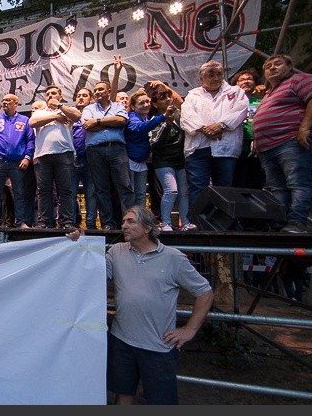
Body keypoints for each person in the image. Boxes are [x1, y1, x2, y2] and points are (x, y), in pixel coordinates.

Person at [69, 205, 213, 404]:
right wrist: (81, 245)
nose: (124, 226)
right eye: (123, 221)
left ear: (147, 228)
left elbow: (205, 292)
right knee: (123, 395)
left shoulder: (173, 258)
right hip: (121, 341)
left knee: (161, 401)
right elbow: (94, 272)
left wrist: (190, 329)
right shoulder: (117, 251)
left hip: (158, 346)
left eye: (131, 221)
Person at [253, 54, 312, 233]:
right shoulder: (269, 93)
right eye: (268, 66)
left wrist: (305, 127)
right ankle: (280, 223)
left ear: (289, 66)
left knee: (298, 184)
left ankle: (297, 222)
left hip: (290, 142)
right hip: (267, 148)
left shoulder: (300, 80)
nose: (272, 68)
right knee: (277, 188)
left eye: (277, 64)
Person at [180, 60, 249, 211]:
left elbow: (241, 111)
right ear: (201, 79)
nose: (216, 78)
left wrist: (221, 125)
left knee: (224, 188)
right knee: (197, 187)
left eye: (219, 74)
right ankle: (198, 225)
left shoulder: (236, 92)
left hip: (225, 148)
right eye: (211, 75)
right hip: (198, 148)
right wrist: (204, 129)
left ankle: (222, 225)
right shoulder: (192, 95)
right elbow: (186, 117)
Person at [81, 79, 134, 230]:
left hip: (117, 149)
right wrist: (110, 122)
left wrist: (97, 121)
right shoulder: (88, 108)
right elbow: (87, 125)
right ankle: (108, 223)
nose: (97, 92)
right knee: (101, 188)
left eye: (100, 90)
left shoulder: (118, 106)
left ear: (109, 92)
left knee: (124, 185)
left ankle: (128, 222)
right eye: (95, 90)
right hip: (95, 151)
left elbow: (121, 120)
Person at [29, 85, 81, 230]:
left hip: (64, 154)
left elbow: (77, 116)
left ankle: (67, 222)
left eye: (54, 93)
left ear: (60, 96)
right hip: (42, 155)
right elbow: (33, 123)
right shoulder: (39, 112)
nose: (50, 96)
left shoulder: (67, 110)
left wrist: (59, 107)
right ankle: (44, 222)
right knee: (43, 190)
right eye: (48, 94)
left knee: (65, 190)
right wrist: (55, 116)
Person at [0, 93, 35, 228]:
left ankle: (20, 222)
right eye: (3, 100)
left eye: (8, 100)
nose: (4, 103)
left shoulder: (24, 120)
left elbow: (30, 141)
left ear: (16, 103)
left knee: (19, 193)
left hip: (17, 163)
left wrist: (27, 158)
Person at [147, 82, 194, 231]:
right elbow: (155, 142)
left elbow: (180, 101)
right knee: (171, 190)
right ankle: (166, 223)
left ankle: (185, 222)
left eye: (168, 96)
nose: (168, 99)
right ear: (154, 104)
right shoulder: (154, 120)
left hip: (179, 159)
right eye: (162, 97)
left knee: (183, 192)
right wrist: (166, 124)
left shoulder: (179, 115)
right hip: (162, 161)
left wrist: (163, 85)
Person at [123, 89, 165, 209]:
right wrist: (162, 118)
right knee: (130, 193)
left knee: (141, 194)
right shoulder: (131, 117)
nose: (146, 105)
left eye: (147, 102)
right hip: (130, 161)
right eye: (141, 103)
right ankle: (129, 220)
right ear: (132, 106)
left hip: (142, 162)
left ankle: (139, 220)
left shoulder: (146, 118)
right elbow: (138, 128)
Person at [230, 68, 267, 189]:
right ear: (236, 84)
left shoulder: (262, 101)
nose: (246, 81)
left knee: (256, 183)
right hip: (237, 146)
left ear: (255, 82)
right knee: (238, 182)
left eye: (249, 79)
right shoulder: (230, 101)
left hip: (259, 146)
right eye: (242, 80)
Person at [71, 87, 96, 229]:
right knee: (71, 193)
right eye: (78, 95)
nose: (81, 98)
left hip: (90, 159)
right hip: (73, 160)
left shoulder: (94, 112)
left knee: (91, 194)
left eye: (84, 95)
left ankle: (91, 223)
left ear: (90, 99)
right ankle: (73, 222)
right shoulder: (70, 114)